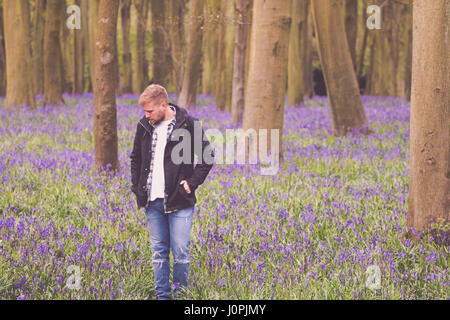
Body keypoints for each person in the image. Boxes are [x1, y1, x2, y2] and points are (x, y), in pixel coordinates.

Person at [130, 84, 214, 300]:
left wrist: (192, 183)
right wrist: (137, 186)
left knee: (180, 253)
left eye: (150, 111)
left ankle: (180, 296)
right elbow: (135, 158)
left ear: (164, 105)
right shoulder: (144, 126)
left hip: (180, 201)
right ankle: (163, 297)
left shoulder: (189, 125)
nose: (146, 115)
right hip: (152, 201)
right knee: (158, 253)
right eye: (145, 112)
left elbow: (207, 157)